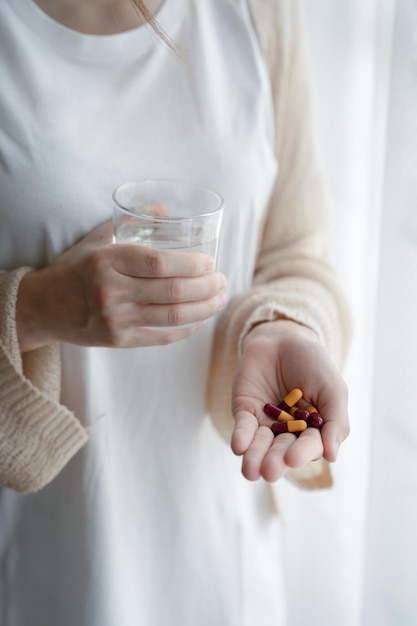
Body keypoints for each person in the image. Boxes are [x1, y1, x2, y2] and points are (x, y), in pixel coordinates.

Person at [0, 0, 351, 624]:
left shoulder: (259, 14)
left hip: (222, 571)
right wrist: (36, 308)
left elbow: (297, 249)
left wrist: (280, 326)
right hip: (38, 574)